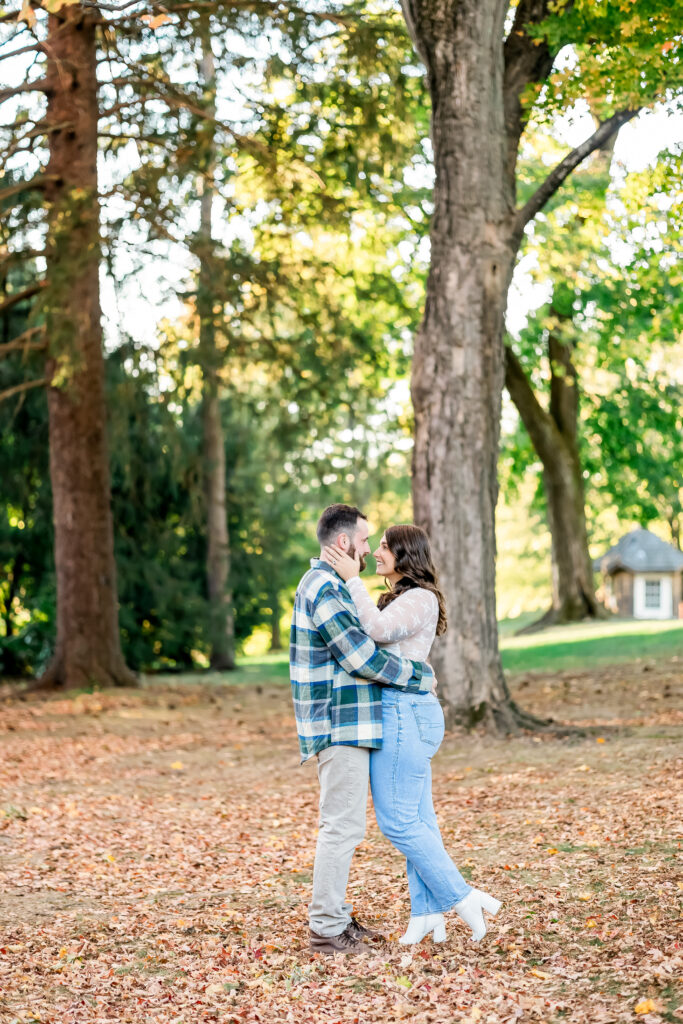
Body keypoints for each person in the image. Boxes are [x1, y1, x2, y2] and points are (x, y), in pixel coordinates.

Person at [323, 523, 502, 945]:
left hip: (404, 713)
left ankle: (461, 896)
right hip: (402, 710)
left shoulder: (419, 597)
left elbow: (378, 632)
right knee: (419, 820)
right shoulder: (402, 597)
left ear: (406, 555)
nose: (377, 552)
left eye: (385, 547)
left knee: (398, 822)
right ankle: (425, 914)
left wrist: (352, 580)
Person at [290, 504, 435, 956]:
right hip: (339, 723)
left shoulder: (335, 586)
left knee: (345, 825)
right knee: (341, 826)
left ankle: (334, 917)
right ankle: (327, 929)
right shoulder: (324, 588)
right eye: (366, 540)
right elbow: (360, 658)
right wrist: (419, 676)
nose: (371, 549)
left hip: (351, 721)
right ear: (343, 543)